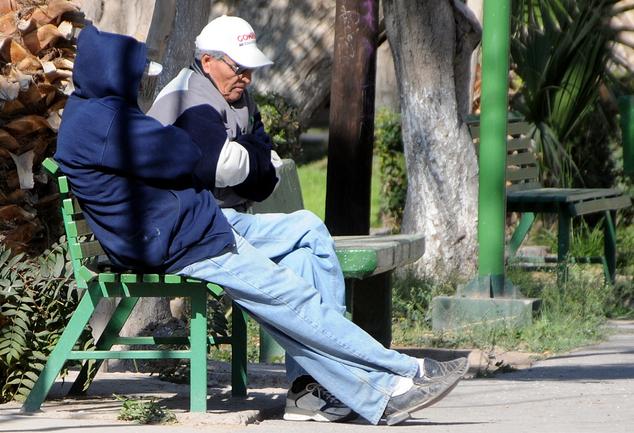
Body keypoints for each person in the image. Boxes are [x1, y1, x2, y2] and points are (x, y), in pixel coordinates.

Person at [55, 25, 469, 426]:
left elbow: (185, 155)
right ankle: (401, 374)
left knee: (300, 262)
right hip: (185, 242)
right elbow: (187, 152)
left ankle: (328, 390)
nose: (141, 86)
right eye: (136, 78)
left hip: (190, 229)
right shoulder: (109, 122)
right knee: (295, 302)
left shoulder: (96, 113)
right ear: (114, 76)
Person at [146, 15, 353, 421]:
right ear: (208, 61)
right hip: (193, 231)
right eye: (238, 67)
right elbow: (221, 167)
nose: (247, 77)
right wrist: (252, 155)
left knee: (302, 260)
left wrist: (248, 156)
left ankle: (306, 390)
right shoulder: (190, 97)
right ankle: (343, 369)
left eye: (250, 69)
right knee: (310, 227)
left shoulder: (239, 99)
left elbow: (266, 178)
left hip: (221, 221)